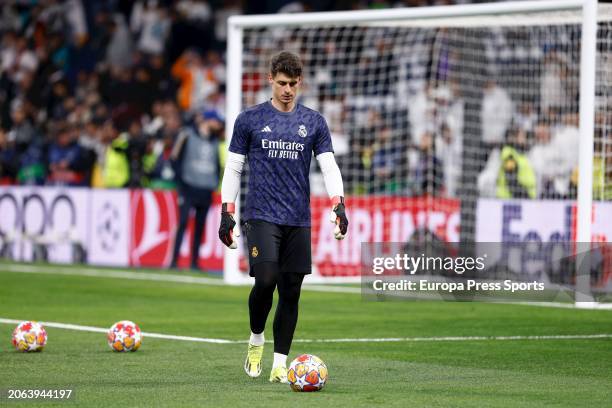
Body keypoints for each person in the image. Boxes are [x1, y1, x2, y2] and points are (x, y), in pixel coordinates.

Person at [218, 51, 348, 383]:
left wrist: (339, 204)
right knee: (265, 282)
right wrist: (226, 212)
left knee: (291, 291)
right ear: (270, 80)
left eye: (292, 84)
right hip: (261, 214)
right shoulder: (249, 119)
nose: (287, 90)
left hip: (298, 218)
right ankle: (256, 339)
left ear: (300, 83)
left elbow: (329, 165)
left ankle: (279, 362)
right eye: (281, 83)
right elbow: (234, 167)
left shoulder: (314, 121)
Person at [169, 109, 223, 270]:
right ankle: (174, 261)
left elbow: (217, 164)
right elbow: (174, 158)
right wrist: (182, 182)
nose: (219, 124)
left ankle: (194, 262)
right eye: (216, 121)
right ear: (208, 120)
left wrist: (213, 183)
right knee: (183, 222)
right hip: (188, 187)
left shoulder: (215, 140)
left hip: (205, 189)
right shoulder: (187, 134)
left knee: (200, 226)